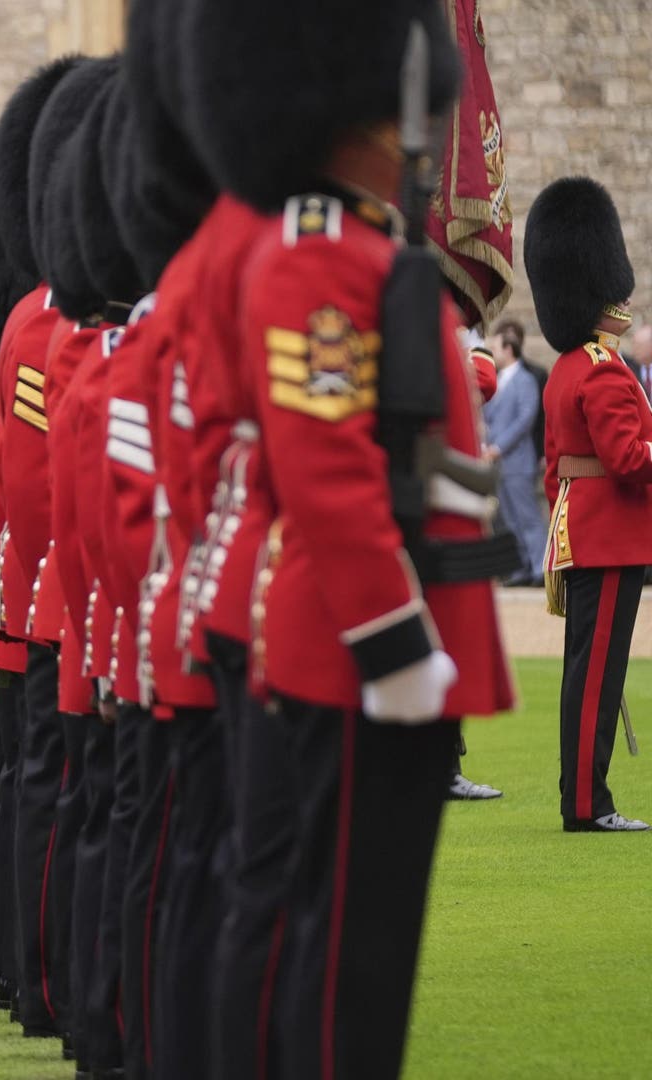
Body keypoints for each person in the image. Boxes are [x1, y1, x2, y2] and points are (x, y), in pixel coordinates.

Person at [183, 0, 516, 1074]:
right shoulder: (320, 254)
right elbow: (324, 469)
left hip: (384, 623)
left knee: (362, 940)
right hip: (354, 647)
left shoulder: (360, 245)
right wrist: (394, 641)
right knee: (347, 955)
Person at [530, 175, 650, 833]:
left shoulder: (569, 367)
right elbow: (630, 459)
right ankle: (586, 804)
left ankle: (585, 797)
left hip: (586, 531)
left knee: (591, 677)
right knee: (595, 679)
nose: (623, 297)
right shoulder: (603, 368)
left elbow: (555, 471)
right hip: (610, 537)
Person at [486, 322, 546, 585]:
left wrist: (498, 447)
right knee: (509, 518)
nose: (492, 353)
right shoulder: (497, 379)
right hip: (498, 461)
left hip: (518, 459)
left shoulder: (525, 380)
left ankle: (540, 568)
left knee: (527, 515)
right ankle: (521, 568)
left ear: (509, 349)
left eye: (496, 347)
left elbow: (525, 420)